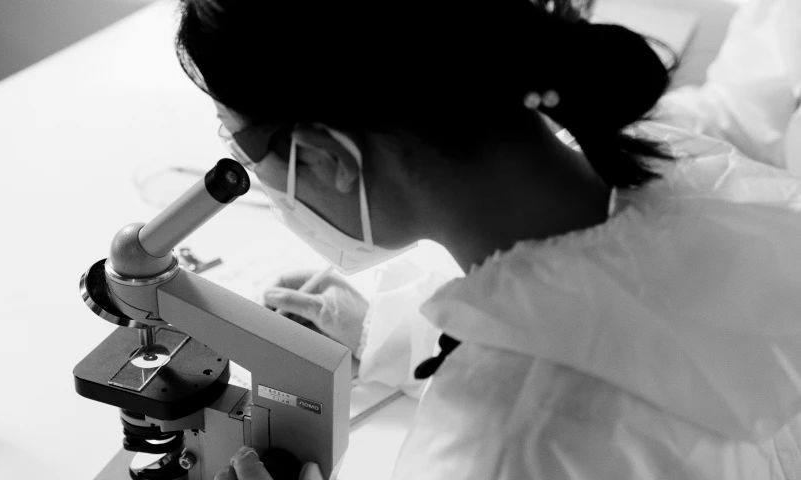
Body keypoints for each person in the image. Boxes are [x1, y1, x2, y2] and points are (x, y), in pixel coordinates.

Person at [175, 1, 801, 479]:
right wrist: (394, 332)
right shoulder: (704, 178)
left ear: (325, 154)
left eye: (242, 149)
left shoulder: (503, 449)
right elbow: (611, 330)